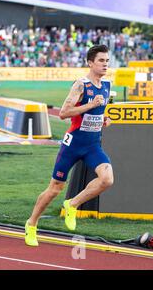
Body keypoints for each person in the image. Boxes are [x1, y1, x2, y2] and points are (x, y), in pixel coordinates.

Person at [24, 44, 113, 246]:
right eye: (101, 60)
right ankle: (31, 224)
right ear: (90, 63)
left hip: (92, 145)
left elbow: (96, 113)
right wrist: (91, 104)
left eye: (107, 61)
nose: (105, 64)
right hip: (73, 144)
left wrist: (104, 119)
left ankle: (72, 204)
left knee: (107, 179)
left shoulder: (106, 85)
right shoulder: (81, 85)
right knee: (55, 188)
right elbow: (64, 113)